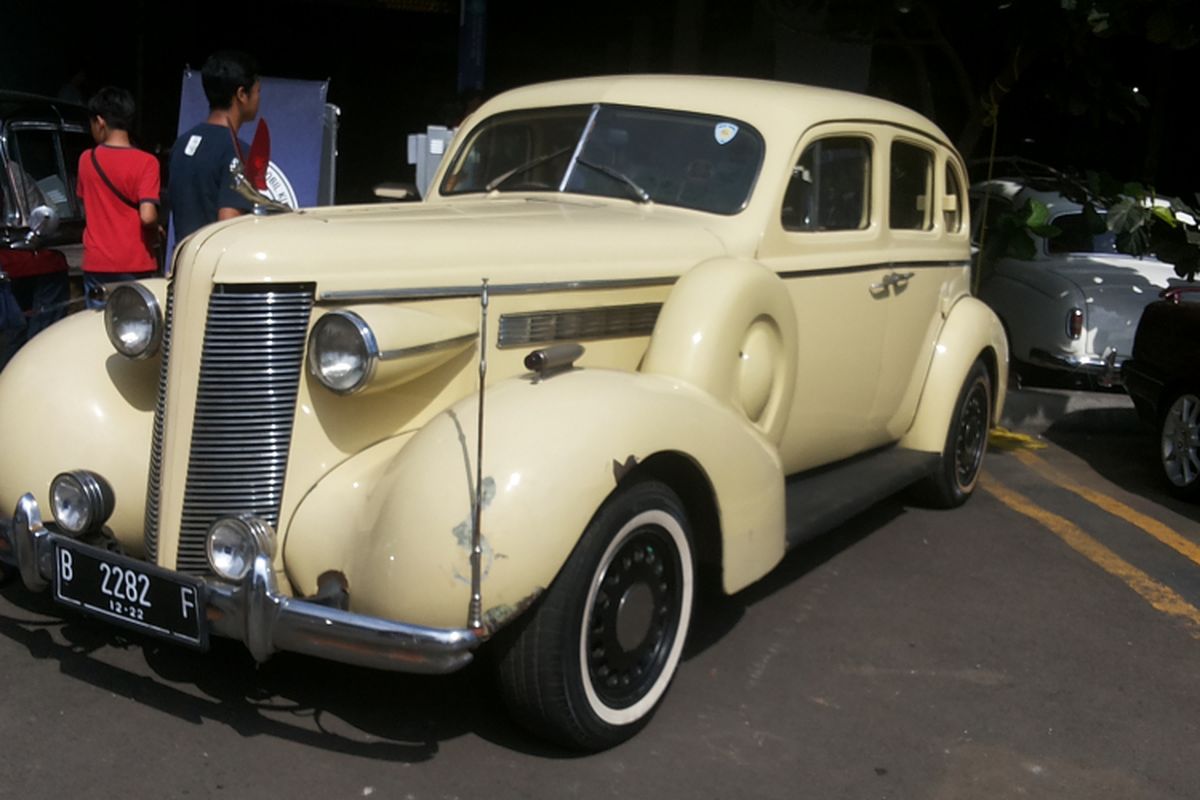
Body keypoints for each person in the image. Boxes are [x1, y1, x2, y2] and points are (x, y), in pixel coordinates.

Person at [75, 86, 161, 308]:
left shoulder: (86, 159)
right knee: (137, 334)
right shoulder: (147, 162)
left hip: (97, 263)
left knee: (97, 330)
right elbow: (148, 216)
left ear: (100, 121)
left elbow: (87, 205)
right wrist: (157, 228)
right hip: (136, 262)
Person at [168, 51, 261, 242]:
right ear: (242, 94)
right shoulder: (238, 152)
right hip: (215, 269)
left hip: (183, 264)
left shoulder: (181, 144)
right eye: (258, 92)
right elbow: (229, 227)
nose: (259, 99)